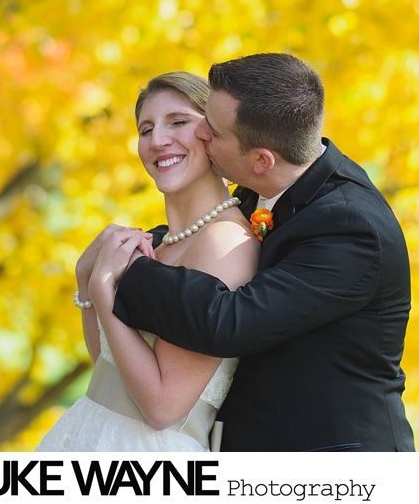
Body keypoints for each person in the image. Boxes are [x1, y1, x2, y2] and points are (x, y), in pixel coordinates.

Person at [109, 52, 415, 451]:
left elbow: (228, 321)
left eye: (213, 131)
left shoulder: (351, 229)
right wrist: (149, 241)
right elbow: (203, 230)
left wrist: (123, 270)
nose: (201, 134)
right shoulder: (265, 186)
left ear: (261, 160)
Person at [36, 71, 259, 451]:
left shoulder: (224, 242)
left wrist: (104, 292)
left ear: (213, 133)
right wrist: (86, 278)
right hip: (88, 434)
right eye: (146, 129)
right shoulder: (159, 243)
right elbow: (109, 370)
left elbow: (162, 407)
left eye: (178, 122)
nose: (157, 141)